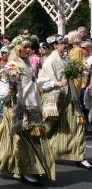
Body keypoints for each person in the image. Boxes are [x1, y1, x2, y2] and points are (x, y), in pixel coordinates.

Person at [0, 35, 55, 186]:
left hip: (31, 105)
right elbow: (2, 90)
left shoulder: (28, 64)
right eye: (24, 47)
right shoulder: (12, 66)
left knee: (15, 137)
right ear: (17, 49)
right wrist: (9, 92)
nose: (28, 50)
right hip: (17, 107)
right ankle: (26, 170)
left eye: (29, 47)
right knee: (20, 139)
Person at [37, 35, 92, 169]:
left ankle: (78, 155)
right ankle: (41, 151)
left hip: (68, 97)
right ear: (55, 45)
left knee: (76, 125)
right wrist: (56, 82)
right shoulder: (51, 60)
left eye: (66, 43)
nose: (65, 45)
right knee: (49, 127)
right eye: (62, 43)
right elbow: (42, 80)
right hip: (55, 97)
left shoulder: (63, 58)